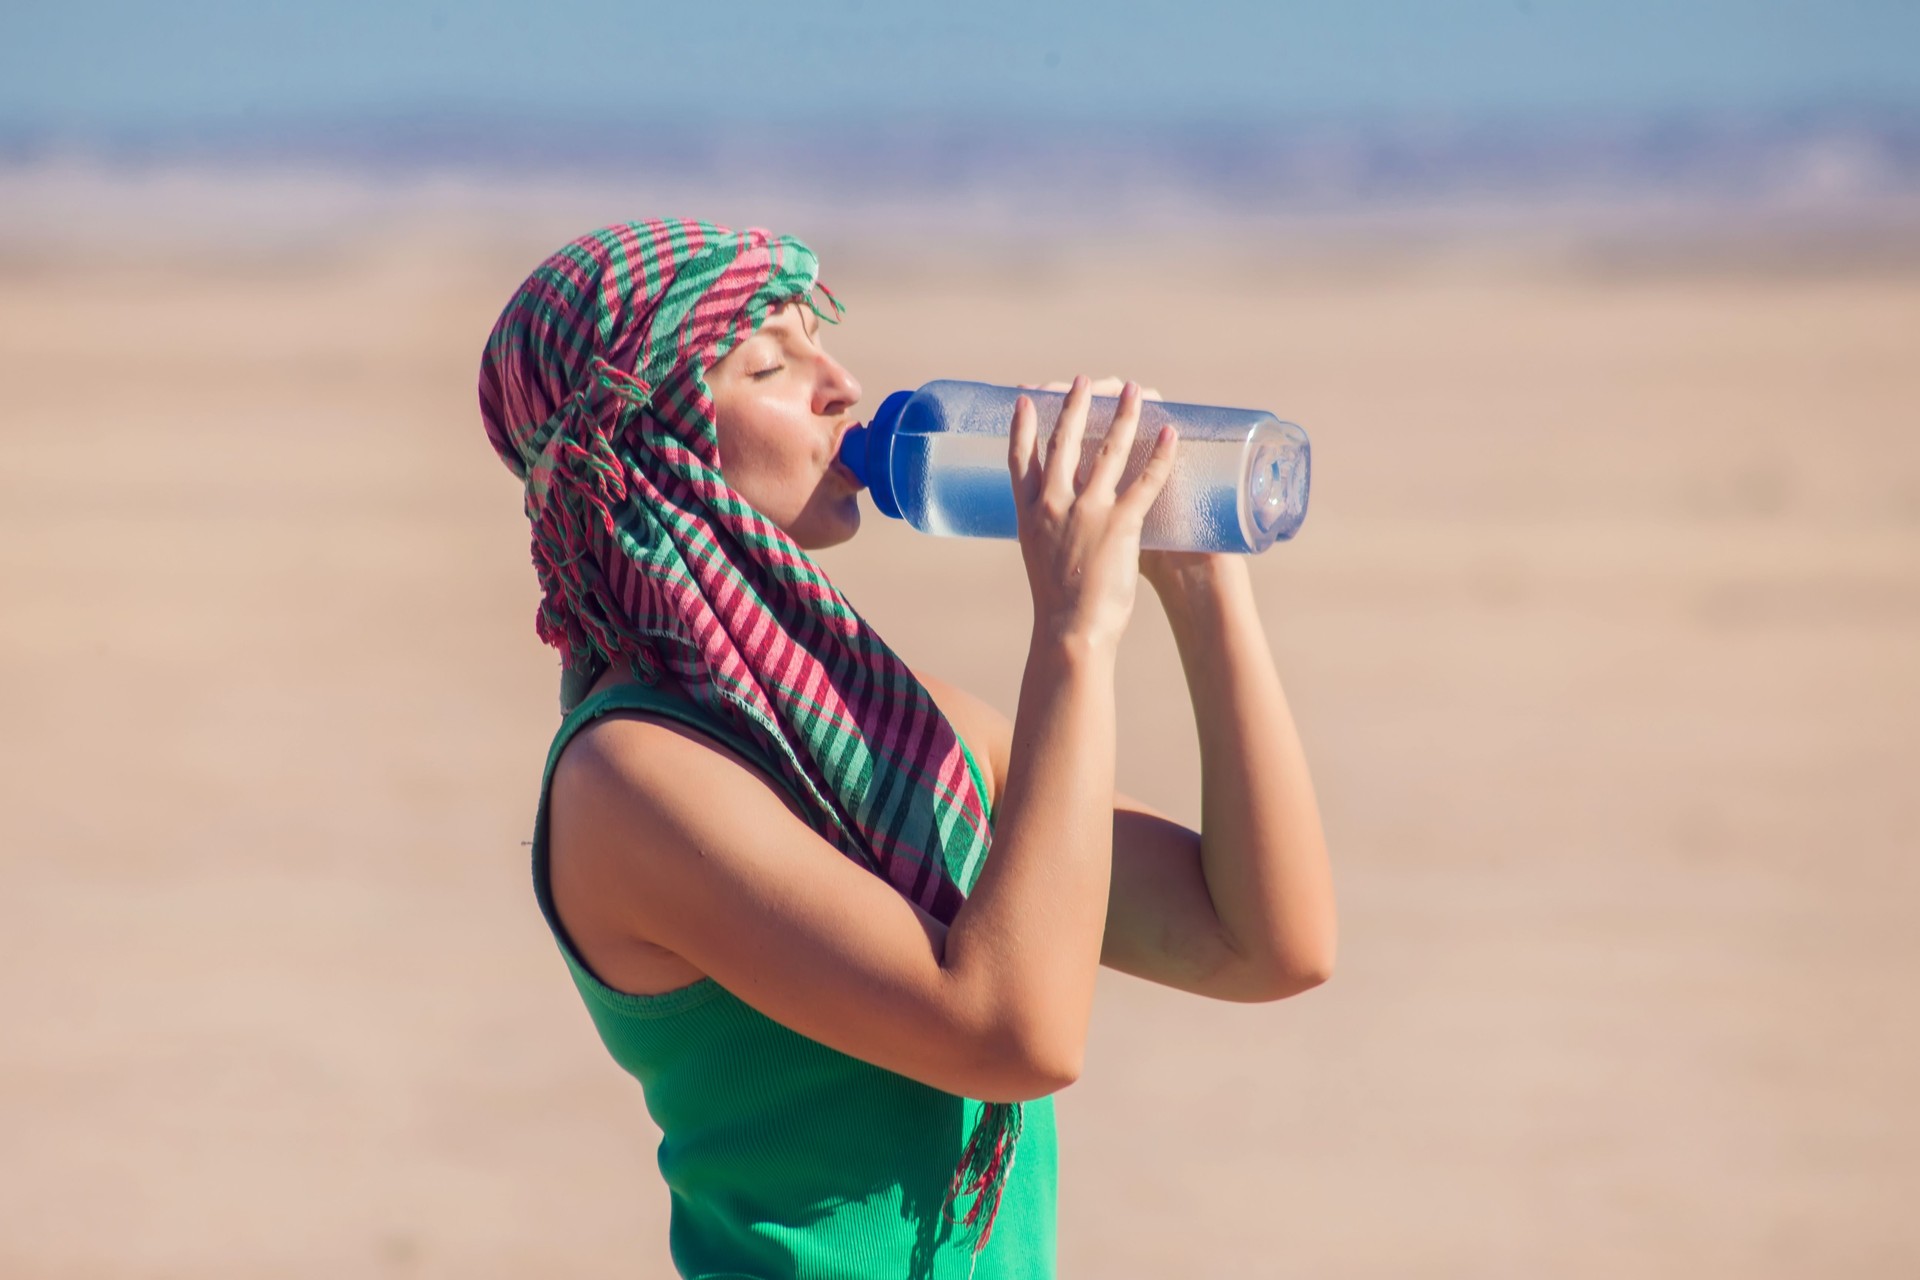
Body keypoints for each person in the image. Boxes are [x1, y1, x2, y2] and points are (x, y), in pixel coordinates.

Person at [478, 218, 1336, 1280]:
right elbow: (1013, 1034)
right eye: (769, 363)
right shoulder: (633, 777)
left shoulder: (886, 716)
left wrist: (1204, 588)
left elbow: (1266, 941)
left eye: (821, 345)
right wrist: (1073, 633)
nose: (842, 383)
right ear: (648, 446)